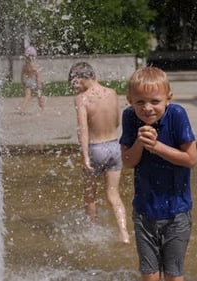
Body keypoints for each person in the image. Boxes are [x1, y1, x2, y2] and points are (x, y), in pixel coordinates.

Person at [119, 66, 197, 281]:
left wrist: (156, 147)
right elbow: (128, 162)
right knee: (149, 275)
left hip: (176, 213)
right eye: (140, 102)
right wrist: (140, 143)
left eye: (155, 101)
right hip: (144, 212)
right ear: (129, 100)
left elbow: (191, 159)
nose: (147, 108)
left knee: (173, 274)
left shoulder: (177, 115)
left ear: (168, 98)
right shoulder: (130, 117)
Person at [68, 62, 130, 244]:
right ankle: (124, 233)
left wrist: (85, 156)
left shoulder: (82, 99)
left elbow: (83, 129)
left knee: (90, 196)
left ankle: (92, 231)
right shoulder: (111, 93)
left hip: (95, 149)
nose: (74, 86)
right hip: (113, 146)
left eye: (75, 82)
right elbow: (117, 122)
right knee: (113, 194)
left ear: (80, 78)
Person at [18, 46, 44, 115]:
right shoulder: (34, 65)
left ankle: (22, 109)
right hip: (35, 82)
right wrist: (39, 83)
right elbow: (37, 75)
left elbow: (22, 74)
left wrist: (22, 82)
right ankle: (42, 108)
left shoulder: (25, 65)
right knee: (39, 96)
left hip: (28, 81)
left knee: (27, 96)